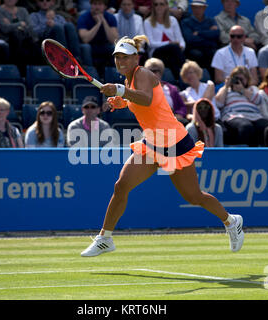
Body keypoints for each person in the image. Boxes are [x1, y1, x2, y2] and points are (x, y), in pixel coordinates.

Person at [80, 35, 244, 257]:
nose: (120, 62)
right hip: (152, 144)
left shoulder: (143, 74)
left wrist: (120, 91)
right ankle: (105, 238)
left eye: (125, 57)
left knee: (194, 197)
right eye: (117, 57)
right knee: (121, 186)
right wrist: (122, 101)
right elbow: (144, 103)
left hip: (176, 143)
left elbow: (146, 99)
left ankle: (231, 221)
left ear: (136, 58)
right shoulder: (129, 81)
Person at [215, 66, 268, 146]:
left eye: (242, 79)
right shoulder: (226, 90)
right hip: (234, 116)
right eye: (236, 78)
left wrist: (242, 90)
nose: (239, 81)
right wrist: (226, 86)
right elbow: (219, 103)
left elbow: (258, 100)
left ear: (247, 79)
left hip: (254, 116)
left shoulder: (252, 89)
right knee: (246, 127)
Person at [143, 0, 186, 80]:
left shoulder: (173, 20)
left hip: (172, 52)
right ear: (153, 7)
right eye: (156, 4)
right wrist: (169, 43)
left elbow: (181, 40)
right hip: (156, 52)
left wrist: (181, 47)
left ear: (166, 6)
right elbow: (150, 43)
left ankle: (178, 82)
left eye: (161, 4)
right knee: (173, 48)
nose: (158, 7)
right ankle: (186, 69)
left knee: (172, 60)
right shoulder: (147, 22)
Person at [77, 0, 119, 77]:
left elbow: (113, 40)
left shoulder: (110, 17)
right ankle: (91, 74)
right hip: (90, 46)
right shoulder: (83, 17)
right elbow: (85, 39)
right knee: (86, 47)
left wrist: (104, 22)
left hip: (104, 45)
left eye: (100, 4)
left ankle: (114, 75)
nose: (97, 7)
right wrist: (98, 24)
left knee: (114, 48)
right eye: (94, 4)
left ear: (105, 6)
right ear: (91, 5)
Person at [0, 0, 40, 72]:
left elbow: (30, 28)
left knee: (34, 44)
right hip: (7, 40)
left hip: (25, 39)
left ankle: (33, 74)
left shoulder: (23, 10)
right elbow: (4, 29)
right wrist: (20, 24)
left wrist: (11, 24)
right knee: (16, 35)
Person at [144, 57, 187, 124]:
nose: (151, 73)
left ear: (160, 72)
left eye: (155, 71)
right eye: (149, 71)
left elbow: (182, 107)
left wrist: (179, 115)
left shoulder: (172, 89)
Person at [180, 0, 220, 72]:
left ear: (204, 8)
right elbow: (189, 39)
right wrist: (208, 34)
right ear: (191, 8)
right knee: (197, 54)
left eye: (200, 7)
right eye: (195, 7)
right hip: (194, 50)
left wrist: (199, 33)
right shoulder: (185, 22)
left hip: (209, 48)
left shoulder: (211, 20)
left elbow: (216, 34)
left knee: (215, 53)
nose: (197, 10)